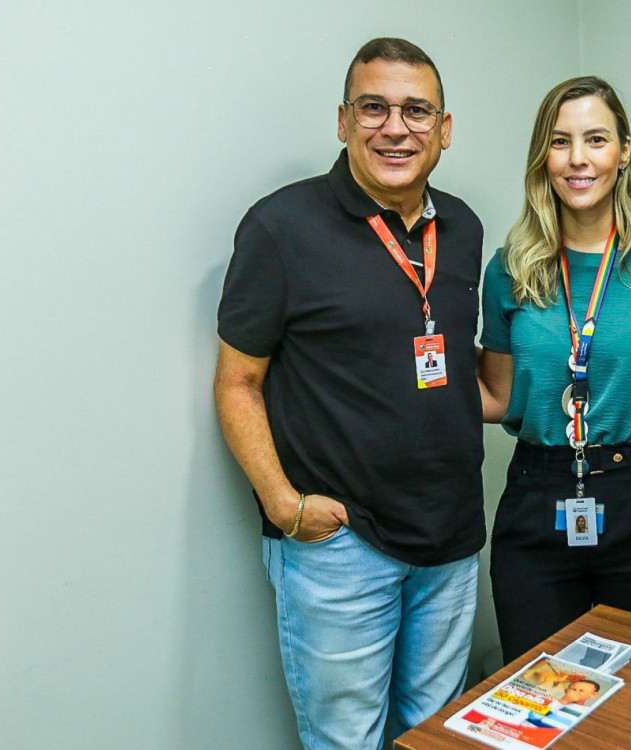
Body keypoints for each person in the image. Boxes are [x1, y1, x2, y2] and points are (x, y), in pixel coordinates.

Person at [214, 38, 484, 748]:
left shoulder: (462, 227)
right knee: (347, 741)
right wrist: (283, 504)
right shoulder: (279, 227)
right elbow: (238, 382)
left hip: (451, 540)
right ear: (342, 121)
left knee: (436, 736)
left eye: (417, 111)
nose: (396, 128)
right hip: (342, 548)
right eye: (374, 108)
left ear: (445, 130)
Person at [478, 76, 631, 662]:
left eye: (596, 139)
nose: (578, 159)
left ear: (625, 150)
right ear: (544, 156)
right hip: (537, 498)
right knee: (541, 697)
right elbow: (498, 395)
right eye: (560, 142)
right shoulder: (509, 268)